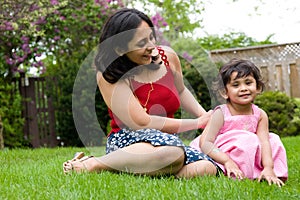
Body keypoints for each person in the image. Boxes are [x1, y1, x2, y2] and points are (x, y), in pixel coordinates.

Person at [63, 8, 220, 178]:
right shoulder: (108, 73)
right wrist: (197, 123)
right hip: (130, 141)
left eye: (151, 38)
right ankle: (95, 163)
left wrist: (206, 117)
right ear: (119, 49)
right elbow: (142, 122)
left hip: (167, 140)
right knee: (173, 153)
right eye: (141, 43)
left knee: (207, 168)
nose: (151, 47)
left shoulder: (168, 56)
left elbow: (181, 91)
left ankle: (152, 170)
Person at [189, 58, 288, 187]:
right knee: (246, 139)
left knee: (273, 139)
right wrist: (226, 161)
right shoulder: (221, 114)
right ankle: (234, 171)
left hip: (248, 149)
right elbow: (206, 143)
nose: (243, 88)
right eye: (236, 85)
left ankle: (266, 172)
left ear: (257, 87)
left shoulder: (260, 114)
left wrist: (269, 166)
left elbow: (264, 142)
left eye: (248, 83)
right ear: (225, 92)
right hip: (220, 153)